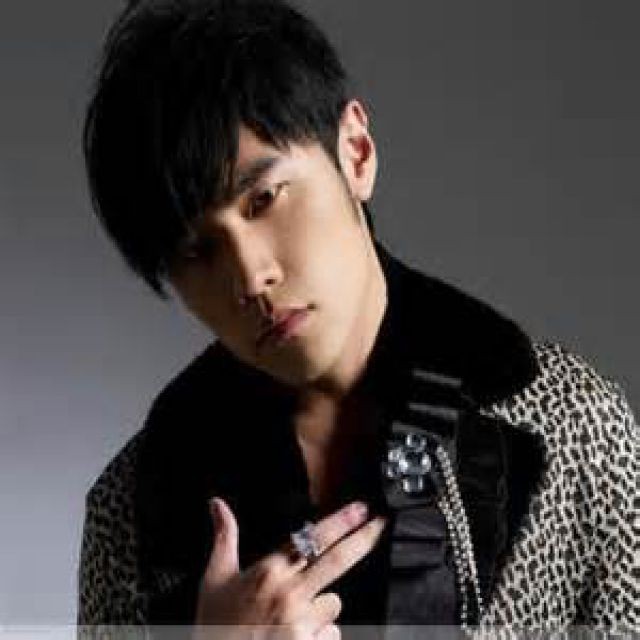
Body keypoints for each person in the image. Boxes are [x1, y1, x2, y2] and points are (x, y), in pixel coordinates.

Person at [77, 0, 639, 637]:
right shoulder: (132, 510)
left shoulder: (573, 427)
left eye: (263, 199)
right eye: (197, 251)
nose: (250, 277)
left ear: (356, 152)